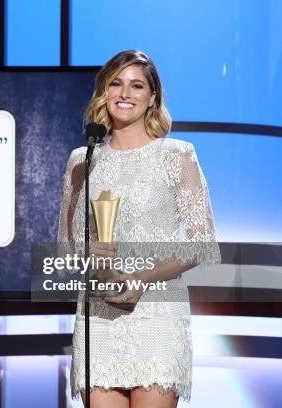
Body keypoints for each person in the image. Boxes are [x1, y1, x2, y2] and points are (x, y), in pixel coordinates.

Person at [57, 50, 220, 407]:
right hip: (99, 314)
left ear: (152, 98)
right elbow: (64, 247)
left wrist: (143, 278)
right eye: (115, 83)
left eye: (136, 85)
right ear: (103, 92)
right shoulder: (81, 160)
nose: (125, 93)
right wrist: (87, 254)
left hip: (157, 314)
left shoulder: (177, 155)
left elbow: (202, 243)